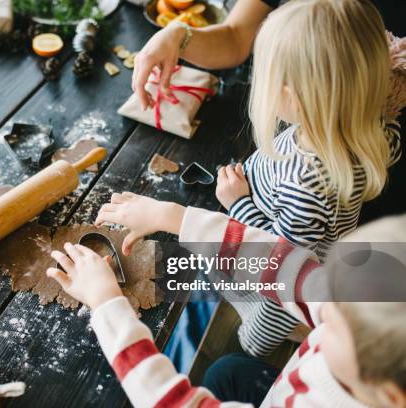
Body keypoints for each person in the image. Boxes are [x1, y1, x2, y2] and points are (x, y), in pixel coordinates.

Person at [128, 0, 403, 359]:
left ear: (296, 98)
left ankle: (248, 346)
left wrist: (238, 204)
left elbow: (280, 263)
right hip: (284, 240)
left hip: (271, 303)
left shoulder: (308, 181)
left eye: (268, 75)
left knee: (235, 343)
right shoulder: (363, 125)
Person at [46, 205, 406, 407]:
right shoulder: (358, 318)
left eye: (333, 324)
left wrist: (106, 303)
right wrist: (175, 218)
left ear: (389, 395)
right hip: (291, 385)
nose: (322, 309)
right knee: (226, 371)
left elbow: (172, 403)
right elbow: (283, 267)